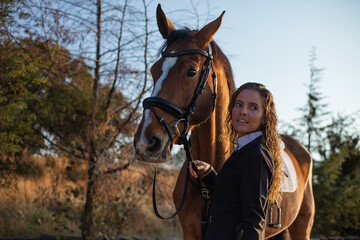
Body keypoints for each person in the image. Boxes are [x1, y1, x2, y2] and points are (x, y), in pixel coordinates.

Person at [189, 82, 284, 240]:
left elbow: (254, 222)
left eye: (253, 107)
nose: (243, 112)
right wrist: (209, 173)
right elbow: (231, 199)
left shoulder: (256, 156)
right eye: (239, 104)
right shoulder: (244, 149)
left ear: (265, 118)